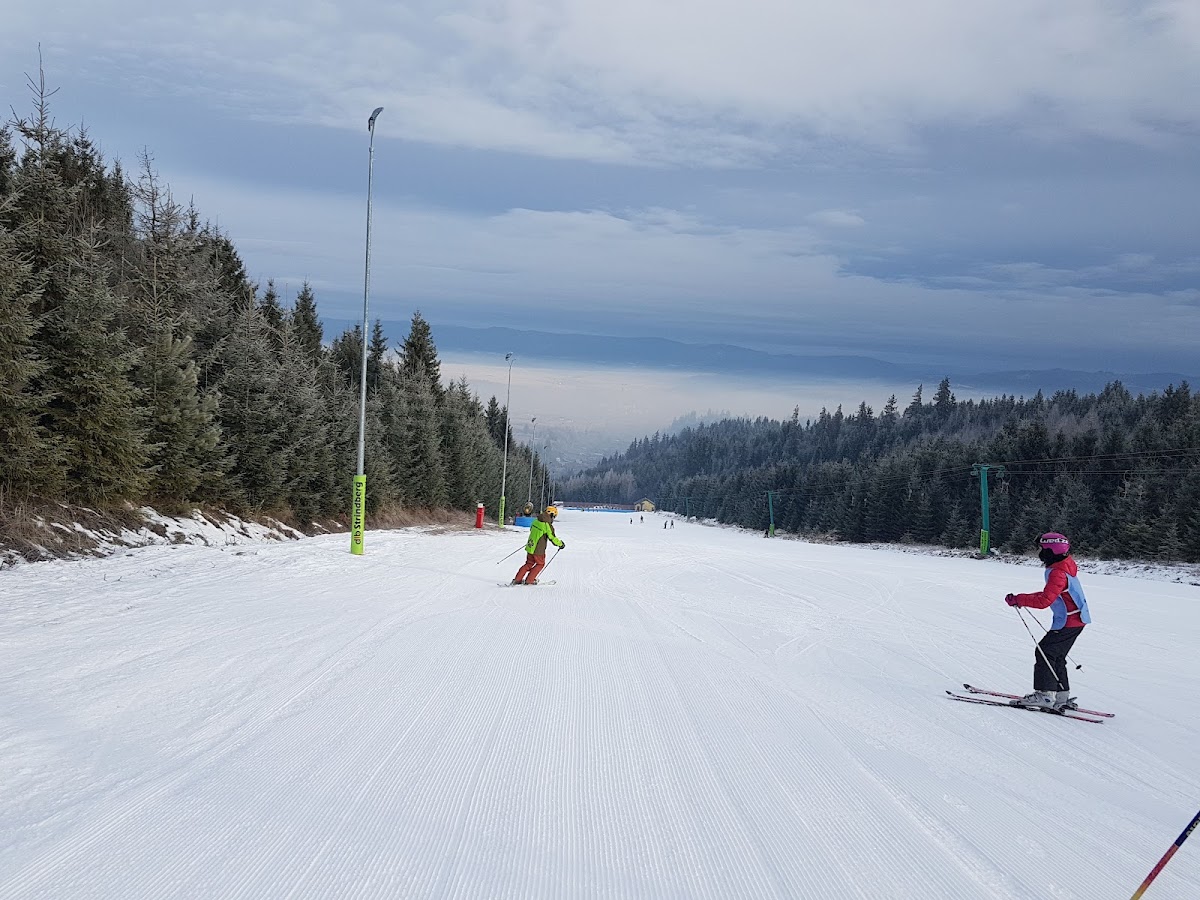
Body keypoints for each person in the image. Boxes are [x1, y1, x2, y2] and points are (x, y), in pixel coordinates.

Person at [1004, 532, 1091, 710]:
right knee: (1055, 655)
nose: (1040, 553)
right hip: (1075, 620)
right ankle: (1061, 696)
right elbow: (1049, 594)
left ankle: (1045, 695)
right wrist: (1021, 598)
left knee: (1044, 652)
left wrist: (1020, 599)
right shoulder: (1064, 565)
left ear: (1051, 550)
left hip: (1068, 620)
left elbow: (1044, 600)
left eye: (1042, 549)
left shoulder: (1058, 572)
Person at [512, 505, 565, 585]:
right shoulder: (547, 525)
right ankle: (529, 580)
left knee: (528, 564)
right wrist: (560, 544)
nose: (553, 519)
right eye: (554, 516)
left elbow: (532, 530)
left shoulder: (536, 521)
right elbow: (552, 538)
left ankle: (517, 579)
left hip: (530, 546)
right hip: (538, 549)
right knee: (540, 564)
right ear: (551, 515)